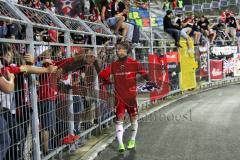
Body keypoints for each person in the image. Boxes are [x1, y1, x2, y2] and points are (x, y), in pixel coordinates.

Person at [90, 42, 158, 153]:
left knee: (133, 119)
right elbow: (103, 75)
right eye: (117, 49)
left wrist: (152, 82)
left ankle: (132, 140)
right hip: (119, 98)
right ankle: (121, 144)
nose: (118, 51)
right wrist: (108, 80)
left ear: (127, 51)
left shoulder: (134, 63)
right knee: (119, 119)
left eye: (121, 49)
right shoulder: (114, 65)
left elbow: (144, 74)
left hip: (131, 98)